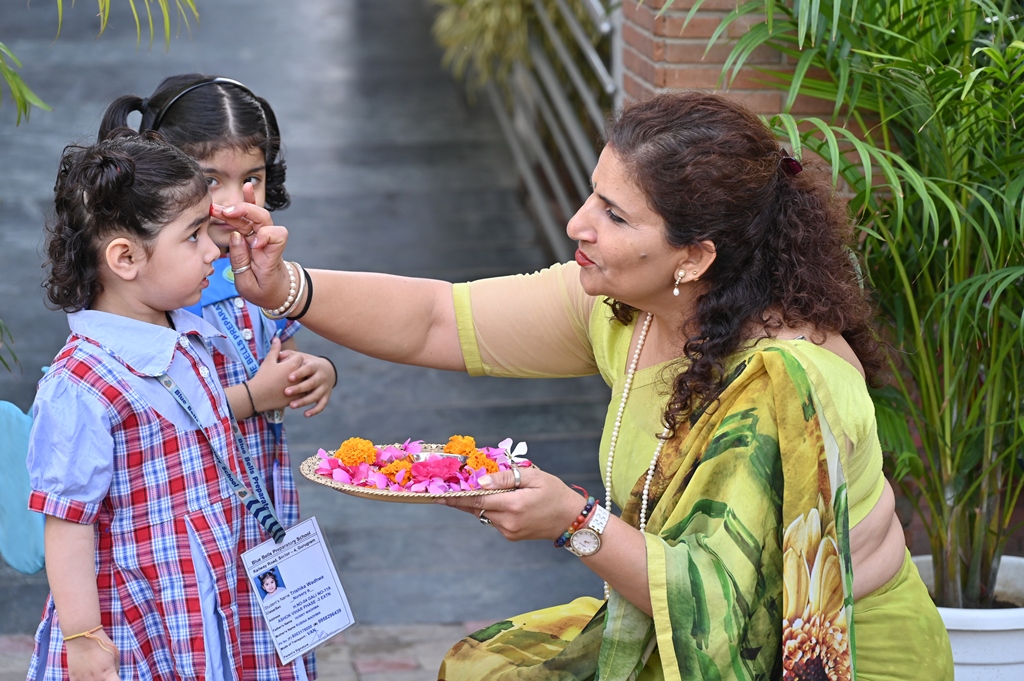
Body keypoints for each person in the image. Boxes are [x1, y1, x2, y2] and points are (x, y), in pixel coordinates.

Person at [218, 92, 953, 680]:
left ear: (693, 257)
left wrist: (574, 520)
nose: (578, 224)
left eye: (613, 213)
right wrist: (284, 286)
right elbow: (436, 319)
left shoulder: (787, 380)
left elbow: (724, 610)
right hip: (672, 625)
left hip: (822, 657)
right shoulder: (627, 306)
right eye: (592, 196)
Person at [26, 132, 309, 681]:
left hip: (210, 596)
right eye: (194, 236)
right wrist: (85, 641)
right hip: (140, 620)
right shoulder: (81, 383)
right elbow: (67, 522)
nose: (213, 250)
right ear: (126, 258)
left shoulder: (188, 336)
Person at [98, 74, 334, 679]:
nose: (234, 201)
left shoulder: (255, 268)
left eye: (250, 177)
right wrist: (253, 397)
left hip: (253, 506)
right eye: (211, 182)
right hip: (178, 523)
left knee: (255, 639)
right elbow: (151, 416)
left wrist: (316, 369)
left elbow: (281, 349)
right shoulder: (156, 292)